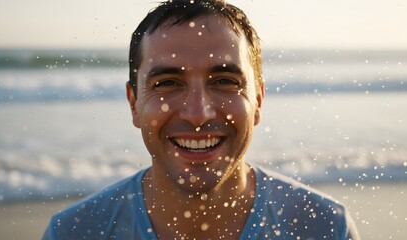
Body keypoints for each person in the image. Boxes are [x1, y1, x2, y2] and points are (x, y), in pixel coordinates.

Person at [43, 0, 360, 239]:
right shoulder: (76, 232)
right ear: (134, 104)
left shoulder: (323, 227)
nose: (198, 113)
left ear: (258, 101)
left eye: (225, 81)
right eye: (167, 83)